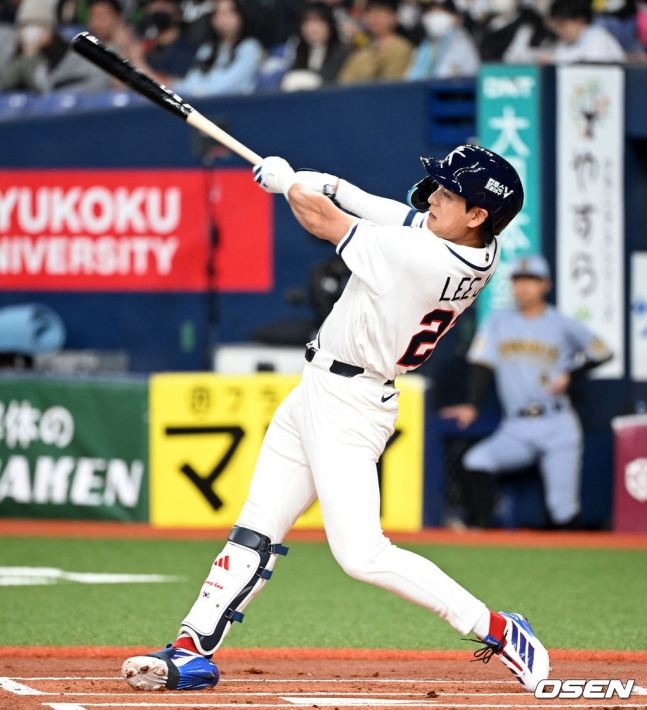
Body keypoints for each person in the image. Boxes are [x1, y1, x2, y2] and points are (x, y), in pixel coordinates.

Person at [120, 144, 550, 694]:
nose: (435, 198)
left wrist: (289, 185)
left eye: (450, 194)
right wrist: (331, 184)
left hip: (351, 404)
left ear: (477, 215)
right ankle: (192, 649)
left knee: (362, 554)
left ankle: (499, 629)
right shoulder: (476, 248)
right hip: (320, 388)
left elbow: (323, 221)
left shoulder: (420, 259)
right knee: (256, 527)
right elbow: (394, 213)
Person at [440, 255, 612, 529]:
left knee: (562, 508)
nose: (523, 287)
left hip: (556, 423)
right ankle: (483, 533)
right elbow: (482, 364)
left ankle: (571, 550)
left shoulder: (561, 323)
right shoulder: (498, 321)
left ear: (546, 284)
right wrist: (472, 404)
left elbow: (603, 352)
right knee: (477, 461)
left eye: (531, 280)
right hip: (516, 426)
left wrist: (571, 374)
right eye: (518, 280)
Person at [0, 0, 111, 92]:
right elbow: (5, 84)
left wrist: (31, 55)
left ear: (51, 29)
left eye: (37, 25)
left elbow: (46, 89)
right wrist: (27, 55)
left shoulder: (69, 53)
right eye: (25, 26)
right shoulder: (20, 54)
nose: (31, 33)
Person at [174, 0, 263, 96]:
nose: (222, 19)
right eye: (217, 14)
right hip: (201, 101)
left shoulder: (250, 48)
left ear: (241, 15)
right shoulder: (207, 48)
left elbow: (227, 85)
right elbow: (192, 79)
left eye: (228, 13)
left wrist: (197, 91)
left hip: (233, 102)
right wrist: (174, 86)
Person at [280, 2, 351, 91]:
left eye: (317, 22)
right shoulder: (300, 50)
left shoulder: (342, 52)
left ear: (329, 25)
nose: (312, 29)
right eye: (307, 23)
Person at [338, 0, 413, 84]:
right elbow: (344, 82)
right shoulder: (362, 52)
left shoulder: (401, 49)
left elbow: (392, 84)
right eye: (370, 12)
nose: (374, 18)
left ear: (394, 17)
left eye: (380, 13)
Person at [407, 0, 480, 80]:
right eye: (431, 11)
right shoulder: (425, 45)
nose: (435, 16)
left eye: (441, 11)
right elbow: (412, 75)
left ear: (455, 17)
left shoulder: (460, 42)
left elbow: (446, 76)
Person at [131, 0, 195, 83]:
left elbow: (170, 86)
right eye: (155, 4)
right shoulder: (146, 45)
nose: (160, 8)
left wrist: (138, 61)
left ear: (178, 12)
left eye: (165, 4)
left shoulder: (185, 50)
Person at [542, 0, 626, 62]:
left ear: (579, 20)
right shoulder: (564, 44)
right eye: (556, 26)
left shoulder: (599, 40)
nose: (558, 30)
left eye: (562, 25)